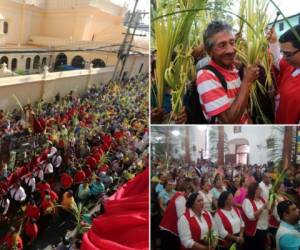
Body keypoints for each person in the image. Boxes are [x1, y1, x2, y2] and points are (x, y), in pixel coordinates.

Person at [196, 21, 259, 124]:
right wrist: (247, 81)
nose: (231, 50)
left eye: (232, 42)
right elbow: (229, 121)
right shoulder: (206, 76)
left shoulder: (234, 69)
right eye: (222, 45)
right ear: (209, 51)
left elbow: (244, 110)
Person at [268, 25, 300, 123]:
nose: (284, 58)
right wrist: (273, 41)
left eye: (288, 54)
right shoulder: (292, 65)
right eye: (283, 53)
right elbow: (278, 61)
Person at [159, 179, 193, 250]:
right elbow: (181, 219)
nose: (190, 193)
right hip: (169, 232)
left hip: (167, 230)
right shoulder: (181, 198)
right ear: (187, 190)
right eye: (190, 191)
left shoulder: (177, 195)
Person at [242, 182, 268, 250]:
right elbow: (251, 217)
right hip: (254, 230)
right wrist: (263, 208)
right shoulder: (247, 201)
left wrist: (272, 202)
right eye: (259, 189)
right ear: (255, 190)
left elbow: (269, 212)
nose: (261, 190)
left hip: (263, 228)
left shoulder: (262, 199)